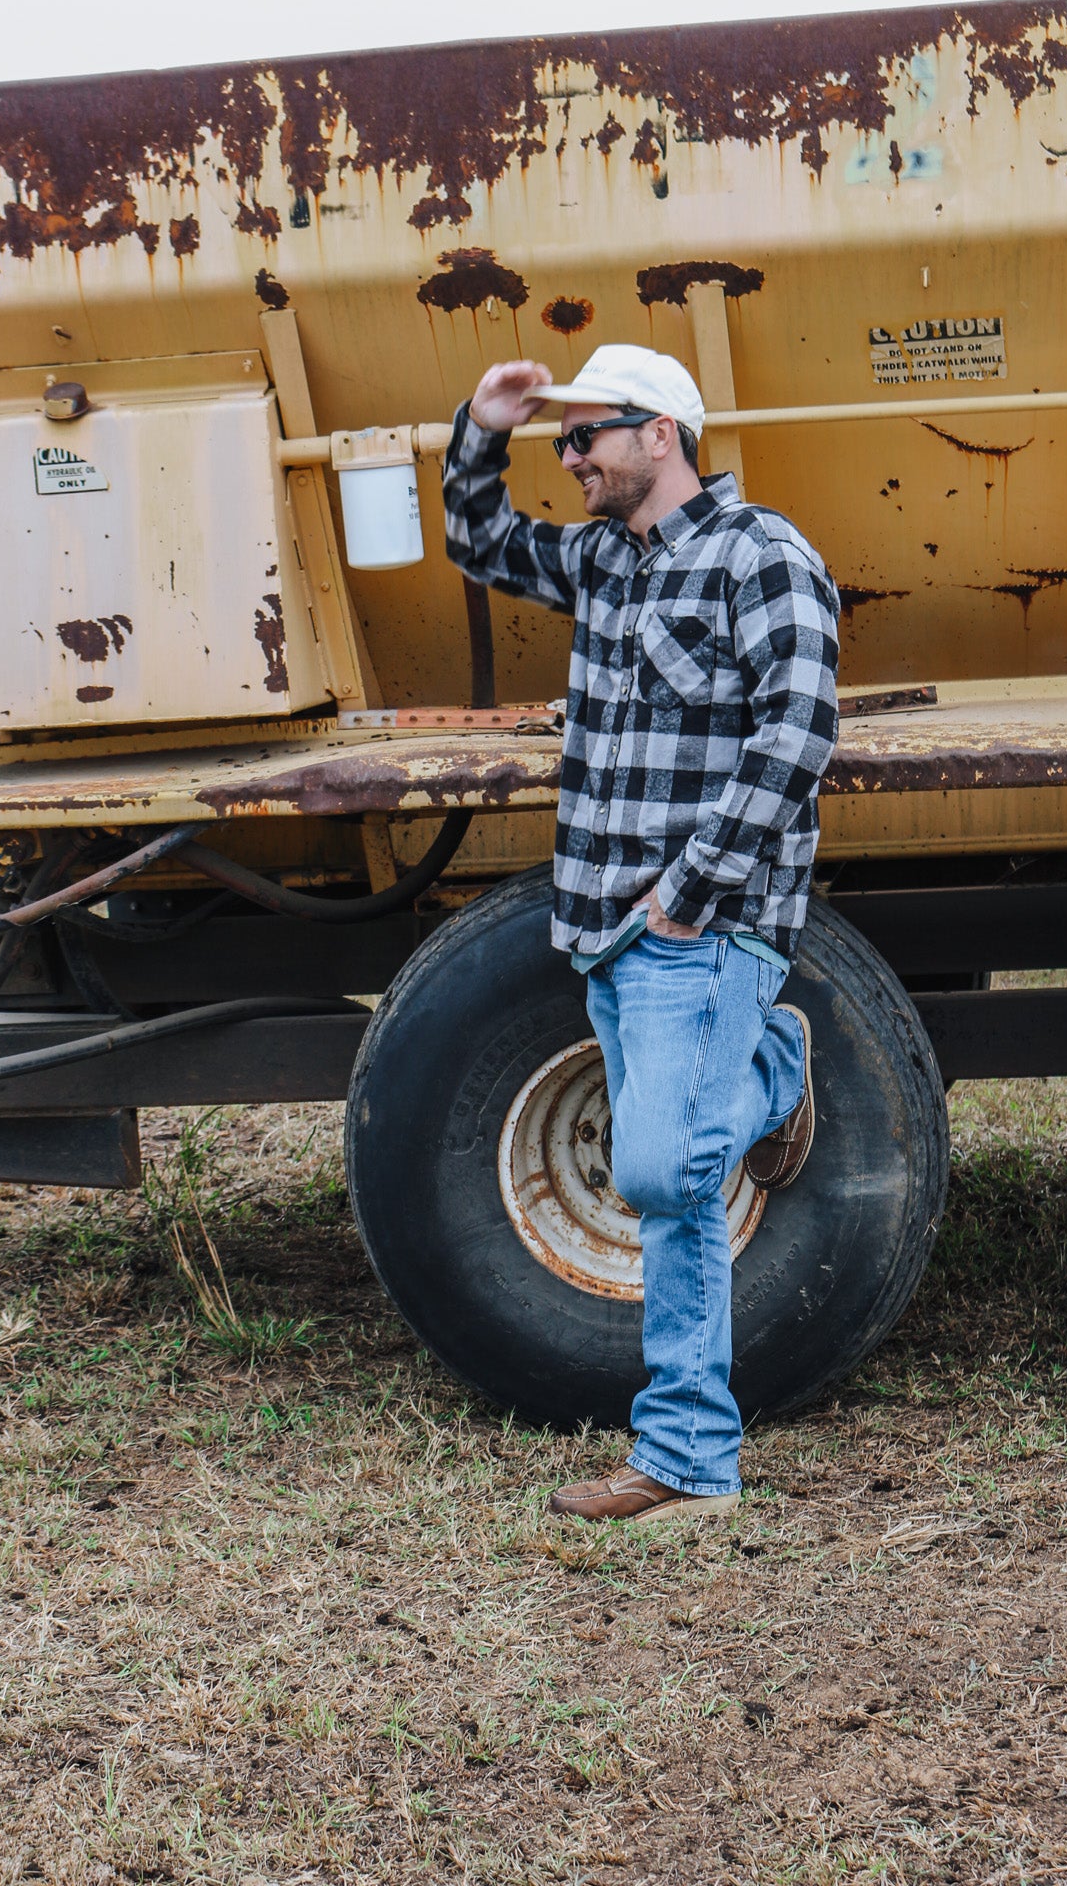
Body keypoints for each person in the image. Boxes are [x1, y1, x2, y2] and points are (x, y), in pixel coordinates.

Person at [444, 344, 840, 1522]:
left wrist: (692, 890)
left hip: (702, 926)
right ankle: (771, 1066)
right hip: (604, 930)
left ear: (659, 431)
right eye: (559, 442)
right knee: (665, 1167)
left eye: (585, 437)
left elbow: (798, 733)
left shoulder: (761, 555)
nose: (567, 458)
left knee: (665, 1172)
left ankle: (684, 1456)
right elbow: (480, 543)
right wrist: (482, 427)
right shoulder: (605, 562)